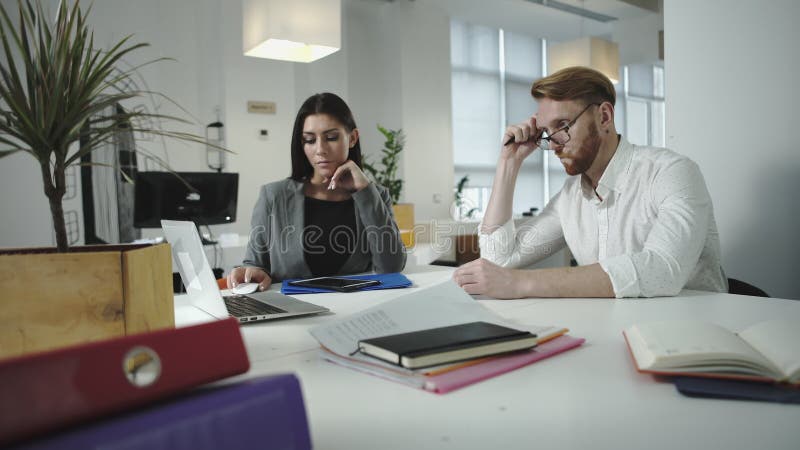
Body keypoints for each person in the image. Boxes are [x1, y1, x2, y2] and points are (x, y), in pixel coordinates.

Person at [453, 66, 727, 299]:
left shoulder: (671, 172)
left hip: (698, 334)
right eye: (547, 132)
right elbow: (499, 259)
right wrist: (509, 163)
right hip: (615, 332)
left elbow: (662, 270)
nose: (555, 144)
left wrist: (519, 283)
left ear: (604, 116)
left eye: (562, 125)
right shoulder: (570, 198)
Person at [228, 92, 406, 291]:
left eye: (331, 137)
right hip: (294, 313)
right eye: (309, 140)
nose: (320, 149)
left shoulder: (375, 196)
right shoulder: (274, 196)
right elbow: (255, 264)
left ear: (353, 138)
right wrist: (253, 272)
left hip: (357, 311)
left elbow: (391, 268)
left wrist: (364, 190)